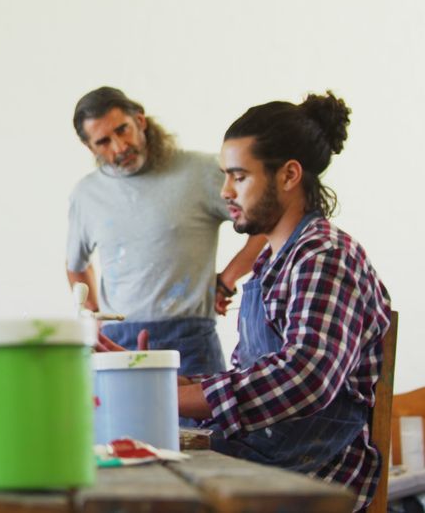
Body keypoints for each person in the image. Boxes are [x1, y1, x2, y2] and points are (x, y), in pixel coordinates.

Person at [172, 91, 390, 511]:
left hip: (318, 477)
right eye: (225, 176)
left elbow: (306, 374)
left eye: (239, 177)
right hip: (269, 457)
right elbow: (255, 373)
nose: (226, 191)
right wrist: (168, 383)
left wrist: (176, 399)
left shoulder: (324, 255)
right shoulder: (272, 262)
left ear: (289, 175)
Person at [67, 86, 265, 377]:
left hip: (191, 341)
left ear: (140, 121)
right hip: (117, 340)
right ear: (90, 147)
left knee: (201, 411)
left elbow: (264, 222)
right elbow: (76, 266)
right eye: (103, 141)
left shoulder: (201, 171)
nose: (119, 147)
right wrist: (94, 318)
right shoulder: (86, 194)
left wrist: (228, 279)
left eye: (122, 130)